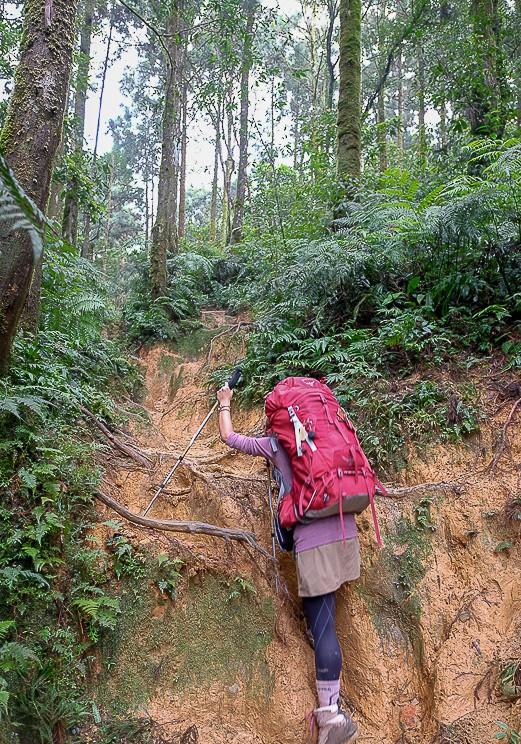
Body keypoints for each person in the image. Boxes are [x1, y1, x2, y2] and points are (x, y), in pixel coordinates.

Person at [217, 383, 359, 744]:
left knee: (323, 627)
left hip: (313, 540)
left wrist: (224, 404)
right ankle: (333, 704)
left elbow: (230, 438)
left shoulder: (278, 444)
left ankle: (330, 715)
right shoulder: (327, 434)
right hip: (345, 528)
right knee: (325, 620)